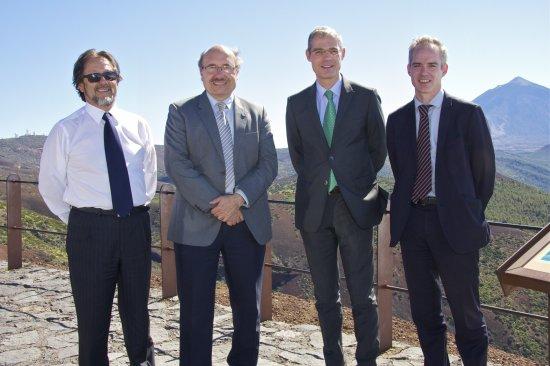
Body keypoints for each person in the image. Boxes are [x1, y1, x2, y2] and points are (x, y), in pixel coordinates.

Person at [38, 49, 157, 365]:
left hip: (135, 227)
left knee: (138, 316)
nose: (103, 82)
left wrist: (132, 214)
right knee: (92, 321)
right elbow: (50, 186)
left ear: (119, 80)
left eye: (110, 75)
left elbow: (149, 176)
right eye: (94, 77)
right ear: (80, 85)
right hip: (89, 231)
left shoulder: (138, 124)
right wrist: (81, 221)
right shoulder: (66, 130)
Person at [164, 44, 278, 366]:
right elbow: (178, 165)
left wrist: (238, 199)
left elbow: (269, 164)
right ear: (200, 73)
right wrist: (219, 205)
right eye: (210, 67)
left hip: (247, 222)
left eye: (225, 66)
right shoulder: (181, 111)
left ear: (236, 71)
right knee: (196, 309)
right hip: (197, 225)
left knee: (248, 309)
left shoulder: (256, 112)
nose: (218, 73)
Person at [386, 36, 495, 366]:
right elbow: (402, 173)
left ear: (444, 69)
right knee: (424, 311)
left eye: (431, 65)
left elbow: (483, 177)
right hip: (413, 225)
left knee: (467, 312)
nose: (424, 72)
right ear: (408, 70)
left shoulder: (468, 115)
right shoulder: (397, 120)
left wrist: (466, 212)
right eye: (417, 65)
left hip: (456, 226)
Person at [286, 26, 387, 366]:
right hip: (314, 210)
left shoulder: (366, 96)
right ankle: (334, 360)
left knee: (364, 296)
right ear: (308, 57)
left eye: (332, 50)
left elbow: (378, 150)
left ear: (343, 54)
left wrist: (351, 184)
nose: (326, 57)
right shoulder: (296, 103)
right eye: (318, 50)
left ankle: (366, 360)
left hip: (354, 207)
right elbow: (300, 157)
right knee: (325, 297)